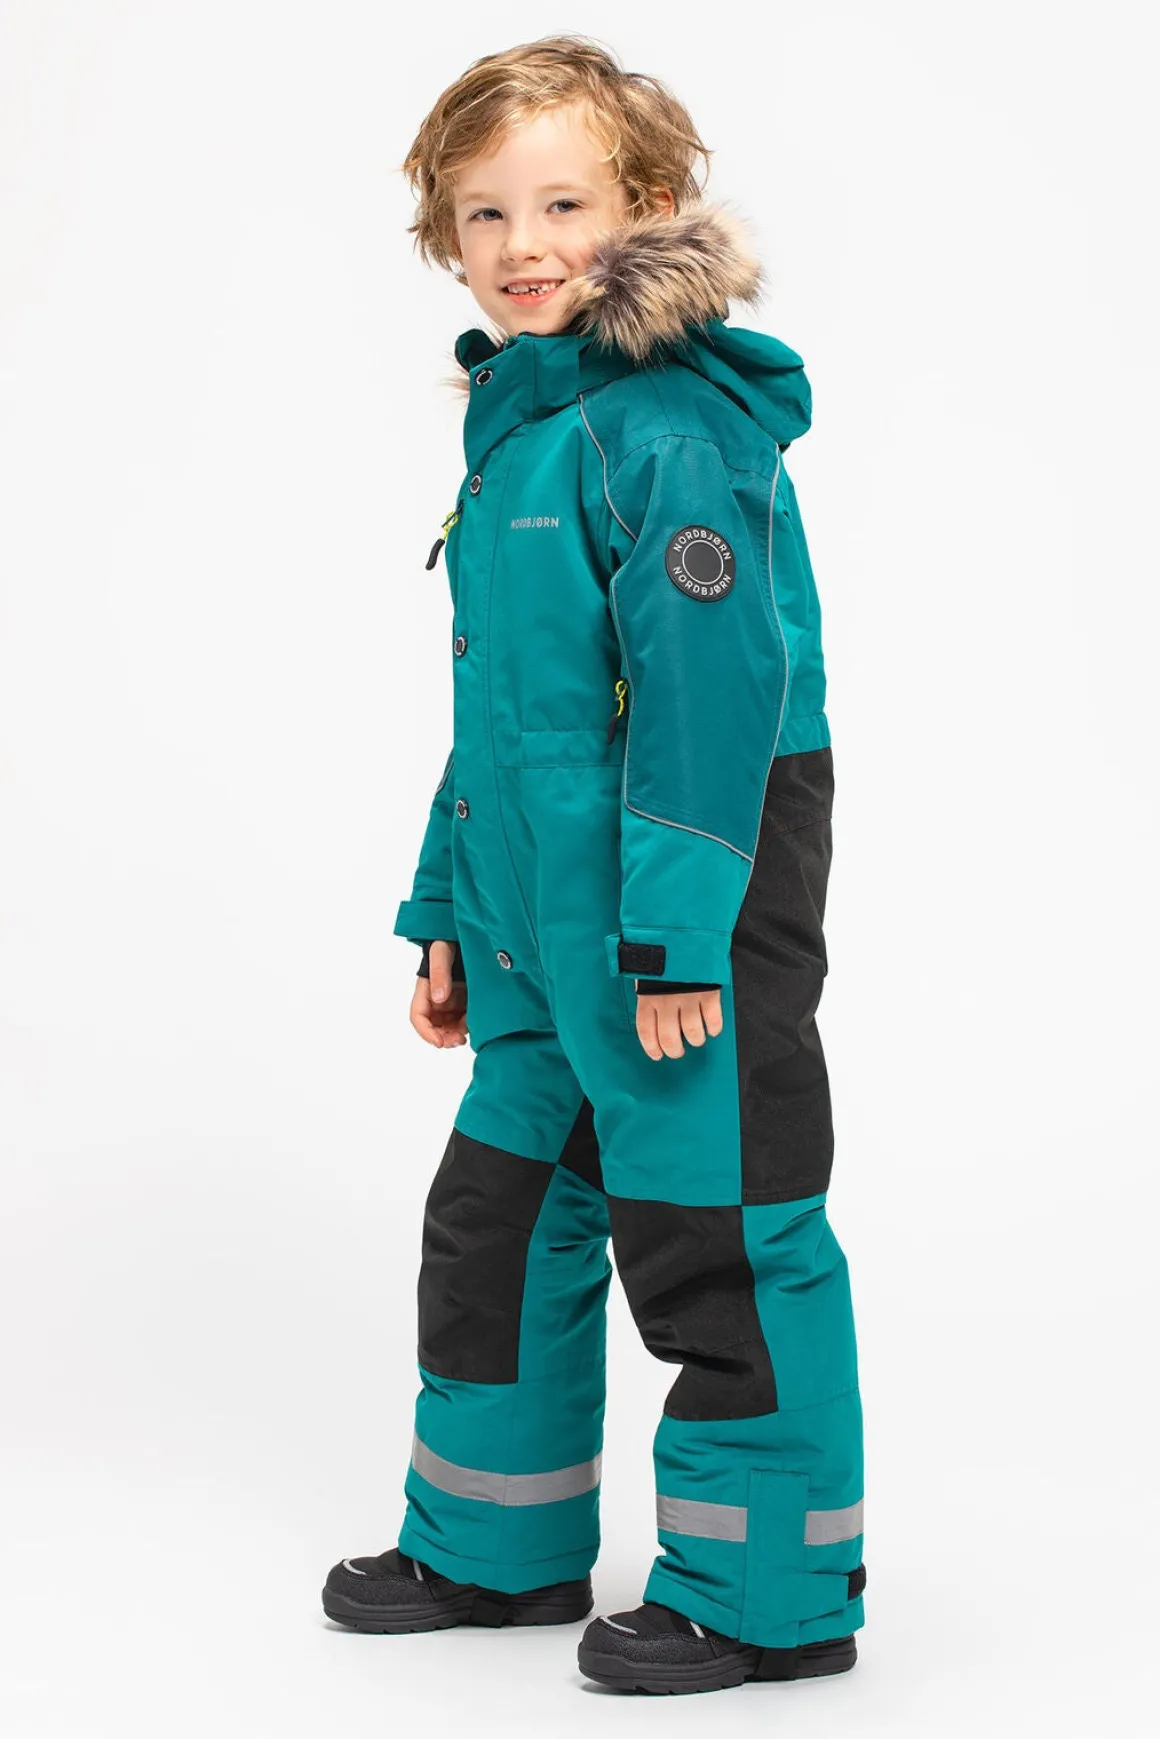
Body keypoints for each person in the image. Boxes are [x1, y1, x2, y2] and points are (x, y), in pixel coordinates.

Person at [321, 34, 865, 1697]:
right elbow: (507, 718)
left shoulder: (666, 430)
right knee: (496, 1221)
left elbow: (715, 700)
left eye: (563, 203)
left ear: (645, 207)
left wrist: (680, 936)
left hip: (674, 928)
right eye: (485, 213)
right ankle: (494, 1543)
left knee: (718, 1233)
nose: (524, 243)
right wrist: (445, 911)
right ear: (446, 237)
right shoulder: (519, 433)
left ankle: (768, 1594)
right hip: (537, 935)